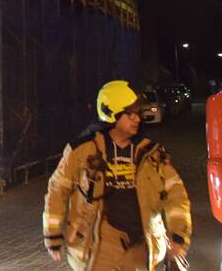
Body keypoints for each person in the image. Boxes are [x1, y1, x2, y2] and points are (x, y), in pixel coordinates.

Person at [43, 80, 192, 270]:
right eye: (130, 114)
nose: (137, 119)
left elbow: (176, 194)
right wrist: (52, 233)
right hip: (99, 246)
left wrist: (179, 235)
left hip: (142, 246)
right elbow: (57, 190)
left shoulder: (152, 153)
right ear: (111, 113)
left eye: (138, 113)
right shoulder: (81, 151)